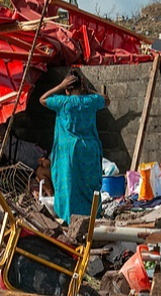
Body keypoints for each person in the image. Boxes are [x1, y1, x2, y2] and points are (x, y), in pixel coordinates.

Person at [39, 69, 110, 224]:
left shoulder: (63, 102)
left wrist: (59, 86)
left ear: (67, 89)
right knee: (89, 186)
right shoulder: (91, 101)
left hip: (69, 153)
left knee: (69, 187)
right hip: (89, 150)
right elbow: (106, 100)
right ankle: (92, 218)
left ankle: (70, 220)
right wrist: (88, 90)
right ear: (81, 86)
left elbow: (43, 99)